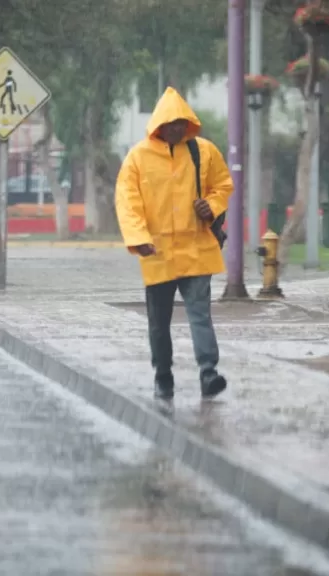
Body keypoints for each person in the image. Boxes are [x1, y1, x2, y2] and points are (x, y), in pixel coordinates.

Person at [115, 87, 233, 402]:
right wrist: (138, 239)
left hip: (197, 250)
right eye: (172, 122)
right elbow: (128, 203)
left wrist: (212, 204)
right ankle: (163, 376)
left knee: (200, 315)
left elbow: (222, 184)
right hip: (157, 254)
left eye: (183, 122)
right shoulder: (138, 158)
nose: (178, 128)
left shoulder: (204, 151)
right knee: (159, 321)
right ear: (159, 125)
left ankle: (209, 373)